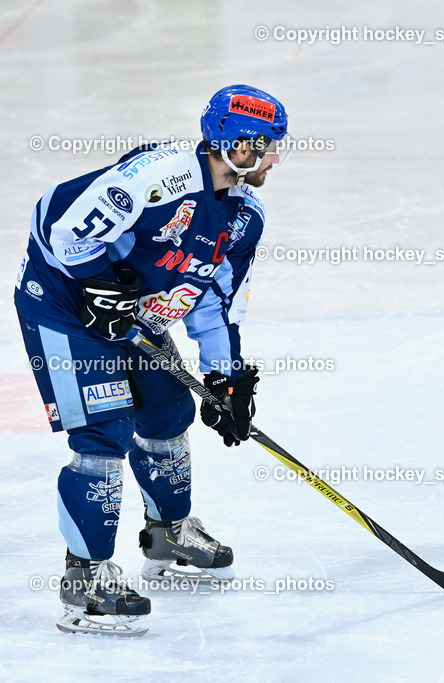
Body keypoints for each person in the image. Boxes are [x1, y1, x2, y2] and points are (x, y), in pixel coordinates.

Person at [14, 84, 290, 636]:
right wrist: (98, 287)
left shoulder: (244, 216)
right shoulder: (157, 175)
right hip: (65, 304)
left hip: (133, 312)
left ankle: (168, 534)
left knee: (167, 414)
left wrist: (226, 378)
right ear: (234, 144)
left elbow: (215, 301)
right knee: (103, 435)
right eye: (266, 145)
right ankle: (85, 581)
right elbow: (63, 227)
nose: (275, 158)